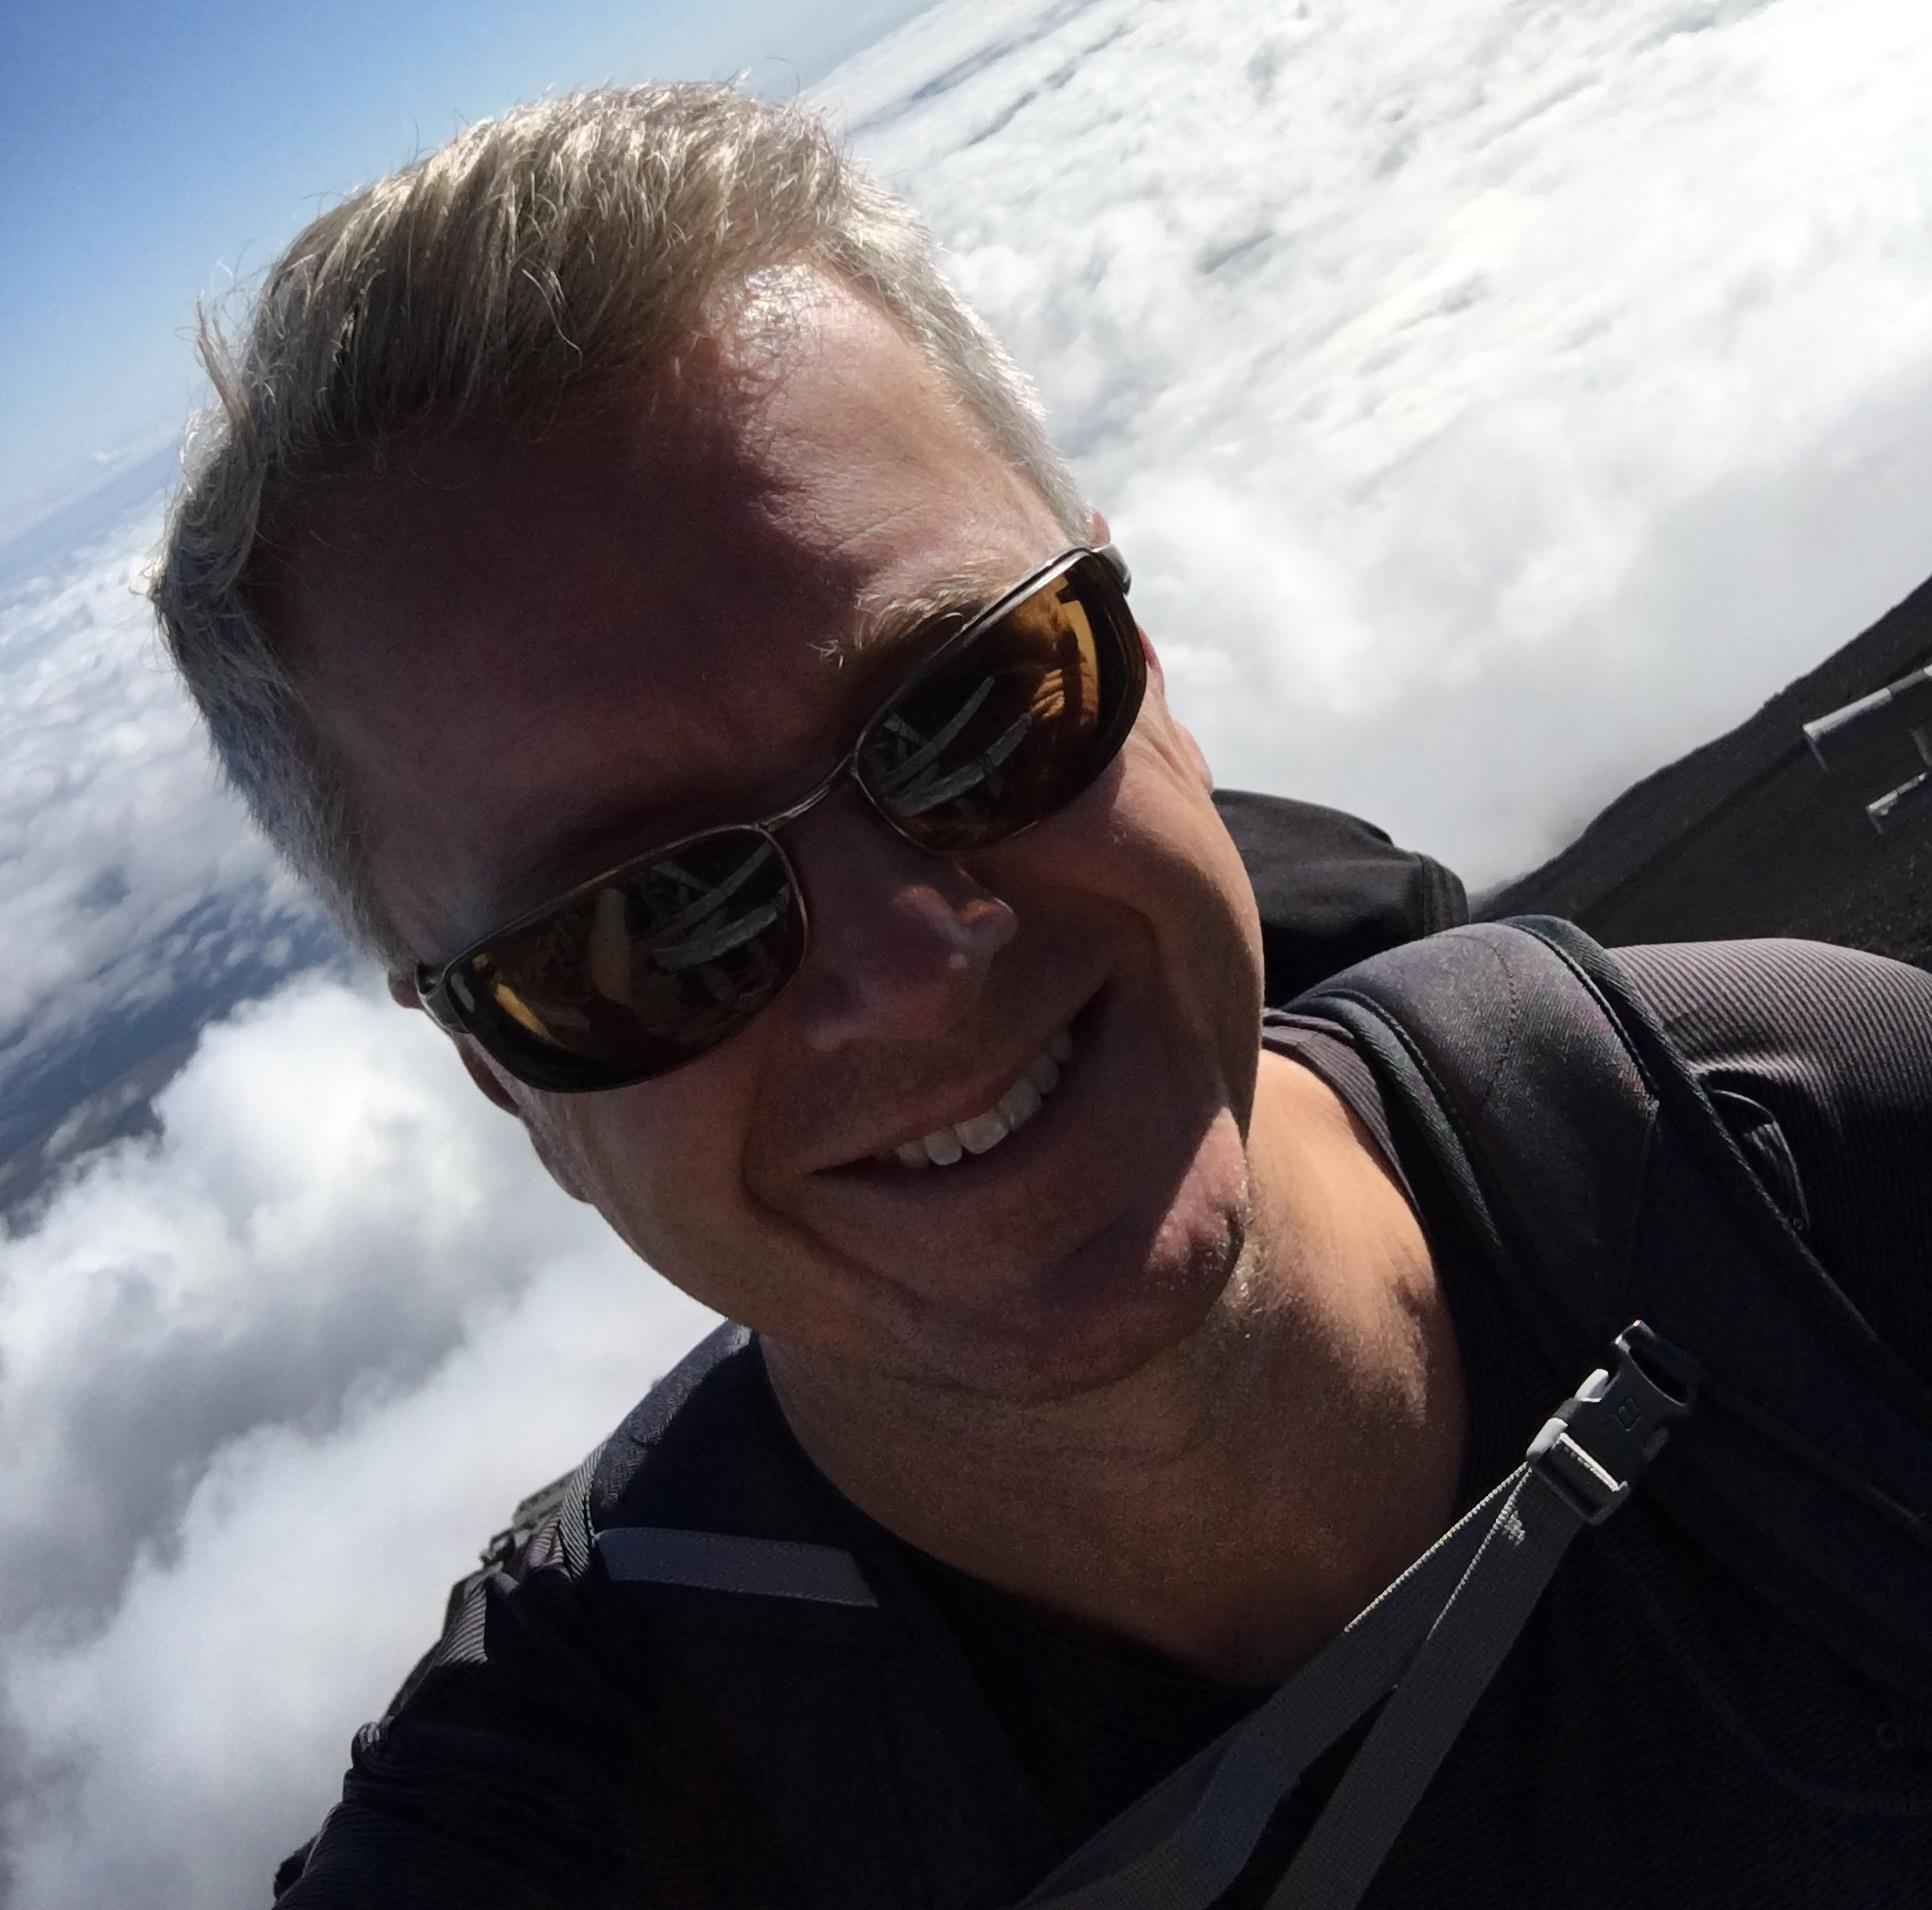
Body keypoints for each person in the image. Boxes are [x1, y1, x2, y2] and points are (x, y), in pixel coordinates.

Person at [151, 85, 1932, 1910]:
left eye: (978, 703)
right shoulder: (557, 1830)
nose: (912, 969)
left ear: (1142, 661)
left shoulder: (1838, 1163)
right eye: (640, 927)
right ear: (504, 1076)